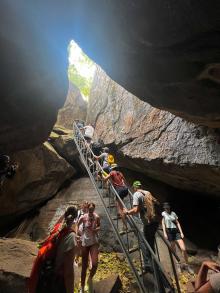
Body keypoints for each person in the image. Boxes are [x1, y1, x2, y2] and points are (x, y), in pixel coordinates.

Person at [29, 206, 78, 293]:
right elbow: (69, 273)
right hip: (56, 282)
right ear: (75, 218)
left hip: (45, 276)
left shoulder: (57, 228)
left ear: (65, 215)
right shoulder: (71, 237)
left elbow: (60, 222)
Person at [123, 180, 160, 272]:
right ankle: (154, 263)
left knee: (143, 242)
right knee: (150, 242)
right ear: (141, 186)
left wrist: (127, 212)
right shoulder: (147, 192)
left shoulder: (136, 194)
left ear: (135, 187)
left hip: (148, 222)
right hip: (155, 221)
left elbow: (136, 210)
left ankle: (148, 265)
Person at [161, 202, 193, 274]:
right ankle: (178, 264)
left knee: (183, 249)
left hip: (176, 232)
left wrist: (181, 232)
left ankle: (187, 265)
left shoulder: (173, 213)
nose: (166, 209)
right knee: (174, 249)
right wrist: (165, 233)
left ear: (169, 207)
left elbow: (177, 222)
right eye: (165, 208)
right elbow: (163, 223)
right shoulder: (163, 213)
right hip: (169, 232)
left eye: (167, 207)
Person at [77, 202, 100, 293]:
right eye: (89, 209)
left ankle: (90, 279)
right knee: (84, 266)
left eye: (92, 209)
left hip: (93, 242)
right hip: (85, 242)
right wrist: (77, 234)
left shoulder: (97, 217)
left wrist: (96, 229)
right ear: (88, 209)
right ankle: (82, 287)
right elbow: (77, 225)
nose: (90, 210)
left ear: (94, 209)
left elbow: (99, 225)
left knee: (94, 264)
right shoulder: (83, 217)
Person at [103, 164, 128, 230]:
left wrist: (101, 174)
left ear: (112, 168)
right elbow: (124, 181)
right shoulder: (120, 173)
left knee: (120, 209)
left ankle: (125, 226)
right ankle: (122, 213)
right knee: (118, 201)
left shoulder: (112, 172)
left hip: (119, 190)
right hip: (125, 189)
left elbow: (105, 179)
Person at [74, 201, 89, 266]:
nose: (85, 207)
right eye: (84, 205)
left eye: (86, 206)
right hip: (80, 232)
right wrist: (76, 233)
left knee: (86, 247)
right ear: (82, 205)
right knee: (78, 246)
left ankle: (86, 261)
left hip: (86, 233)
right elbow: (76, 223)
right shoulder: (79, 212)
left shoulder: (89, 213)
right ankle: (76, 259)